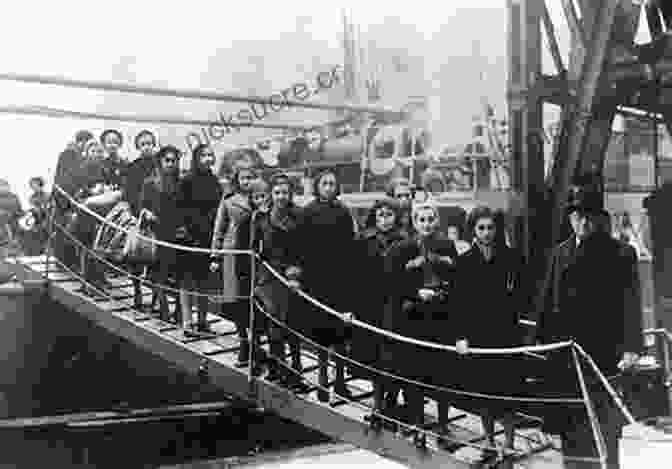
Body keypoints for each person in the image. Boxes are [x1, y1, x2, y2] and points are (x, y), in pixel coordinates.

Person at [539, 188, 643, 469]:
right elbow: (548, 304)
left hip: (604, 354)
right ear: (570, 219)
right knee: (571, 427)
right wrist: (543, 347)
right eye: (577, 218)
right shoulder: (559, 254)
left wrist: (633, 347)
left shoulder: (621, 253)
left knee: (606, 426)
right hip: (566, 358)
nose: (582, 224)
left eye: (588, 218)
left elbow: (631, 302)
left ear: (598, 219)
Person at [451, 206, 527, 458]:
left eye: (490, 228)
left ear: (497, 229)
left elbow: (523, 293)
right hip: (479, 335)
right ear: (473, 230)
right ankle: (488, 441)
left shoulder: (512, 257)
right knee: (484, 391)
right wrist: (460, 336)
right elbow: (458, 303)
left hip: (506, 333)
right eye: (481, 228)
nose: (486, 233)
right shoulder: (463, 262)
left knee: (508, 389)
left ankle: (509, 442)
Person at [383, 202, 458, 446]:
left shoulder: (446, 245)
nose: (426, 224)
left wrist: (444, 292)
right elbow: (392, 284)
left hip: (441, 315)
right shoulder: (402, 248)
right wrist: (416, 293)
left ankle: (444, 425)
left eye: (430, 219)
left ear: (436, 221)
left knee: (443, 373)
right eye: (422, 220)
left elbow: (457, 279)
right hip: (414, 317)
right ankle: (418, 424)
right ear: (415, 222)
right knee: (415, 372)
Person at [296, 169, 357, 402]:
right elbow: (301, 245)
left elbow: (351, 242)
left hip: (340, 279)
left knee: (341, 333)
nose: (329, 187)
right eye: (325, 183)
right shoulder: (308, 212)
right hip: (317, 278)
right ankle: (322, 380)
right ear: (318, 186)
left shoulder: (343, 211)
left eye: (333, 184)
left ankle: (340, 380)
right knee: (321, 333)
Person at [248, 174, 306, 386]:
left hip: (292, 275)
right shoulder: (260, 217)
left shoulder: (299, 216)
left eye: (285, 193)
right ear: (271, 194)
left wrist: (296, 271)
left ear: (290, 194)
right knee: (274, 323)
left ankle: (296, 370)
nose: (281, 197)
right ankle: (277, 367)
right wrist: (259, 271)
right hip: (269, 276)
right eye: (277, 192)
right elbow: (254, 249)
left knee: (293, 323)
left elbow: (304, 248)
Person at [352, 198, 406, 425]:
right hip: (371, 304)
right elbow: (354, 275)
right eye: (381, 215)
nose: (385, 220)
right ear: (374, 217)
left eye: (389, 215)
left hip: (396, 305)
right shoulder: (364, 240)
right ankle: (377, 406)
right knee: (374, 357)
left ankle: (391, 403)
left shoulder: (405, 241)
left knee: (394, 356)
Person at [210, 161, 256, 365]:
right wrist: (215, 256)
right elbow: (219, 230)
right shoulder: (229, 201)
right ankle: (243, 342)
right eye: (243, 178)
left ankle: (256, 343)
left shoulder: (262, 199)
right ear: (237, 181)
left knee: (253, 301)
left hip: (254, 256)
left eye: (250, 178)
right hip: (233, 254)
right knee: (235, 301)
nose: (247, 182)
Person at [178, 143, 223, 336]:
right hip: (189, 237)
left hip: (207, 236)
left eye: (211, 155)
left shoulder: (214, 181)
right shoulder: (187, 180)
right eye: (204, 155)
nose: (208, 159)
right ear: (196, 158)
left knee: (204, 282)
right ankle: (188, 323)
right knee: (187, 281)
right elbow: (180, 208)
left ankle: (203, 321)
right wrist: (188, 230)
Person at [139, 145, 183, 321]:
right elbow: (142, 204)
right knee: (158, 272)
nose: (171, 164)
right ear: (160, 161)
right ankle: (163, 309)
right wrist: (146, 212)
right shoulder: (150, 183)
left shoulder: (181, 183)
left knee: (178, 273)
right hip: (157, 231)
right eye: (167, 160)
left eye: (174, 161)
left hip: (177, 232)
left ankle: (178, 311)